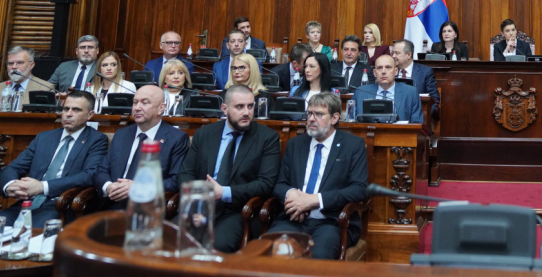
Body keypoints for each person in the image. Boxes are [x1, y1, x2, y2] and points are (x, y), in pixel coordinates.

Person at [177, 85, 281, 252]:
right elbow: (185, 173)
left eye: (250, 106)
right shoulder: (204, 134)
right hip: (200, 206)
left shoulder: (267, 138)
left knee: (217, 246)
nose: (246, 112)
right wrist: (197, 199)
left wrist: (223, 192)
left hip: (237, 211)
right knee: (169, 238)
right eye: (239, 107)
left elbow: (265, 184)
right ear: (224, 109)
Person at [267, 92, 368, 259]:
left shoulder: (353, 146)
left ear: (335, 118)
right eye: (310, 113)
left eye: (319, 114)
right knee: (270, 253)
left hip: (331, 222)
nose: (312, 119)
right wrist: (291, 195)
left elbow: (359, 189)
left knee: (317, 258)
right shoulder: (295, 144)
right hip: (293, 219)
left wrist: (315, 200)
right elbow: (279, 183)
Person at [0, 91, 108, 225]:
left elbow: (89, 175)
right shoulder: (44, 137)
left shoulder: (96, 140)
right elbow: (14, 167)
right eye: (66, 109)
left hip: (60, 204)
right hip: (27, 202)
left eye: (76, 110)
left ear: (89, 115)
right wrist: (10, 185)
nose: (68, 114)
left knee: (34, 233)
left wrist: (42, 187)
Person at [95, 85, 189, 209]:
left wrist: (138, 186)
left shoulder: (176, 138)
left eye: (145, 103)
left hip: (148, 208)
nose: (137, 108)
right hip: (112, 204)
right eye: (135, 102)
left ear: (161, 108)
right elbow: (102, 170)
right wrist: (108, 187)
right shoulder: (122, 134)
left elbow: (175, 180)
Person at [353, 53, 423, 123]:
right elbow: (351, 121)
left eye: (388, 67)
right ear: (374, 73)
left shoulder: (410, 93)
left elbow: (417, 123)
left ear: (396, 71)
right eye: (379, 68)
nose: (383, 72)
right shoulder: (361, 92)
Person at [0, 46, 53, 112]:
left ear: (31, 65)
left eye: (20, 63)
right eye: (10, 63)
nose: (14, 67)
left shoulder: (44, 88)